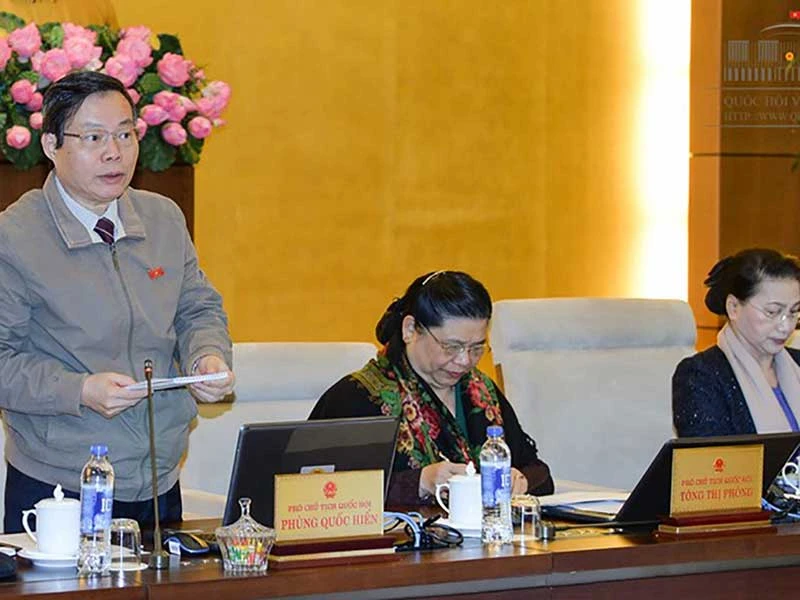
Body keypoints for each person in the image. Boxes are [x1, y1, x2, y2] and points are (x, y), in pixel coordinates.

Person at [0, 71, 235, 532]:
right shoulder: (15, 237)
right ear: (51, 145)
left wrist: (206, 355)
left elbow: (197, 308)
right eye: (93, 138)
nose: (114, 152)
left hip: (158, 478)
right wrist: (80, 390)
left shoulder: (163, 218)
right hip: (61, 485)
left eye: (125, 134)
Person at [309, 270, 553, 505]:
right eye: (451, 347)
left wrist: (520, 480)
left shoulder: (480, 391)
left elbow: (538, 472)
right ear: (410, 330)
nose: (464, 361)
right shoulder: (358, 397)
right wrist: (420, 483)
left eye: (477, 348)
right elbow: (316, 492)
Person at [673, 248, 800, 438]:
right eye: (772, 312)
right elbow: (711, 455)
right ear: (733, 307)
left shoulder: (797, 363)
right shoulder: (701, 376)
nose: (786, 326)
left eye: (794, 312)